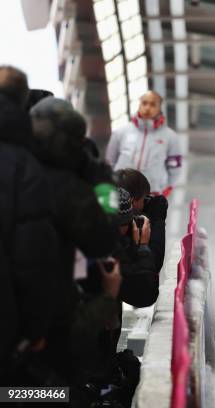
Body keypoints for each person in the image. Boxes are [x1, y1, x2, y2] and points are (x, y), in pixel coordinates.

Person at [26, 97, 119, 382]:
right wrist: (105, 185)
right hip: (43, 324)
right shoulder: (68, 191)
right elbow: (105, 236)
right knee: (53, 395)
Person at [0, 66, 59, 385]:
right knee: (35, 394)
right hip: (10, 324)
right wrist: (36, 330)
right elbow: (33, 258)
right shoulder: (27, 167)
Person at [106, 90, 182, 196]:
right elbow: (110, 161)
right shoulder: (121, 131)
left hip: (152, 192)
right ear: (139, 104)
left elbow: (175, 166)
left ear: (159, 108)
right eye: (144, 103)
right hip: (121, 189)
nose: (147, 108)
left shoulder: (170, 136)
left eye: (152, 104)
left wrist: (168, 187)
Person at [114, 168, 167, 272]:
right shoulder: (128, 235)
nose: (145, 204)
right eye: (144, 199)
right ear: (132, 201)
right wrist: (158, 220)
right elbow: (154, 264)